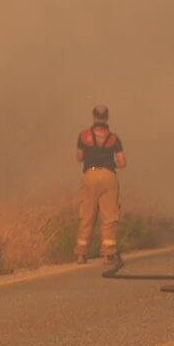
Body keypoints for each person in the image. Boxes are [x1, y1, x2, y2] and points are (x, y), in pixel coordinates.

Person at [75, 105, 126, 268]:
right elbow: (122, 162)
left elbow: (79, 157)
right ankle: (109, 254)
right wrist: (110, 164)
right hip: (109, 176)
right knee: (109, 216)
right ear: (107, 117)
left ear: (94, 116)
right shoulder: (114, 139)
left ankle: (81, 254)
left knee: (87, 215)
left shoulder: (84, 136)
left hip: (89, 176)